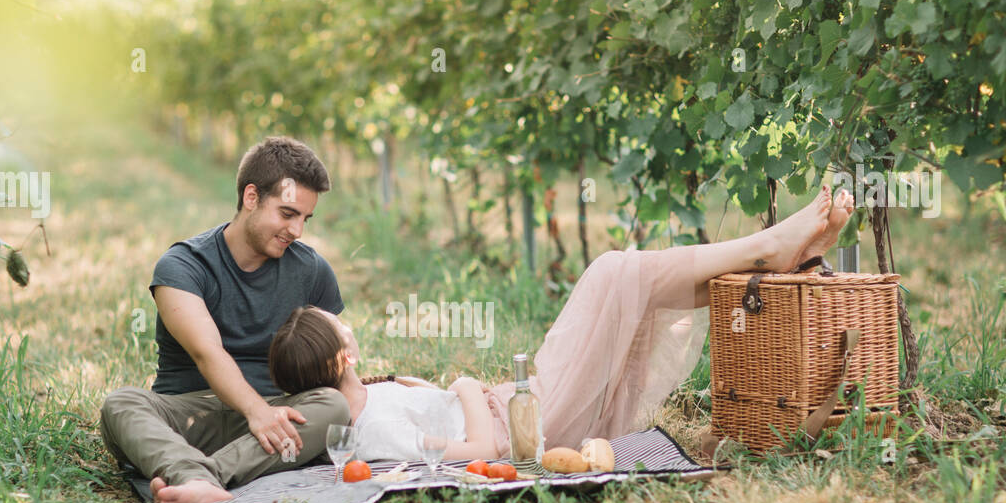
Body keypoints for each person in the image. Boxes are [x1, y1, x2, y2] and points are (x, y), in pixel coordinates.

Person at [267, 185, 855, 462]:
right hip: (531, 421)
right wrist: (469, 388)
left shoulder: (369, 401)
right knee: (612, 275)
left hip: (523, 400)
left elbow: (441, 414)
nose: (350, 326)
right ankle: (766, 249)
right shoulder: (369, 433)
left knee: (625, 286)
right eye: (340, 328)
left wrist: (442, 390)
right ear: (340, 358)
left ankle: (769, 255)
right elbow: (480, 451)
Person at [99, 137, 351, 503]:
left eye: (304, 218)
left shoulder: (312, 270)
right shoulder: (182, 266)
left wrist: (352, 403)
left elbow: (337, 365)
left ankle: (199, 479)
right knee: (121, 404)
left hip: (279, 415)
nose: (297, 230)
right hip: (190, 417)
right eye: (287, 214)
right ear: (251, 197)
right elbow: (207, 352)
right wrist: (256, 412)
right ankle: (204, 471)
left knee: (332, 404)